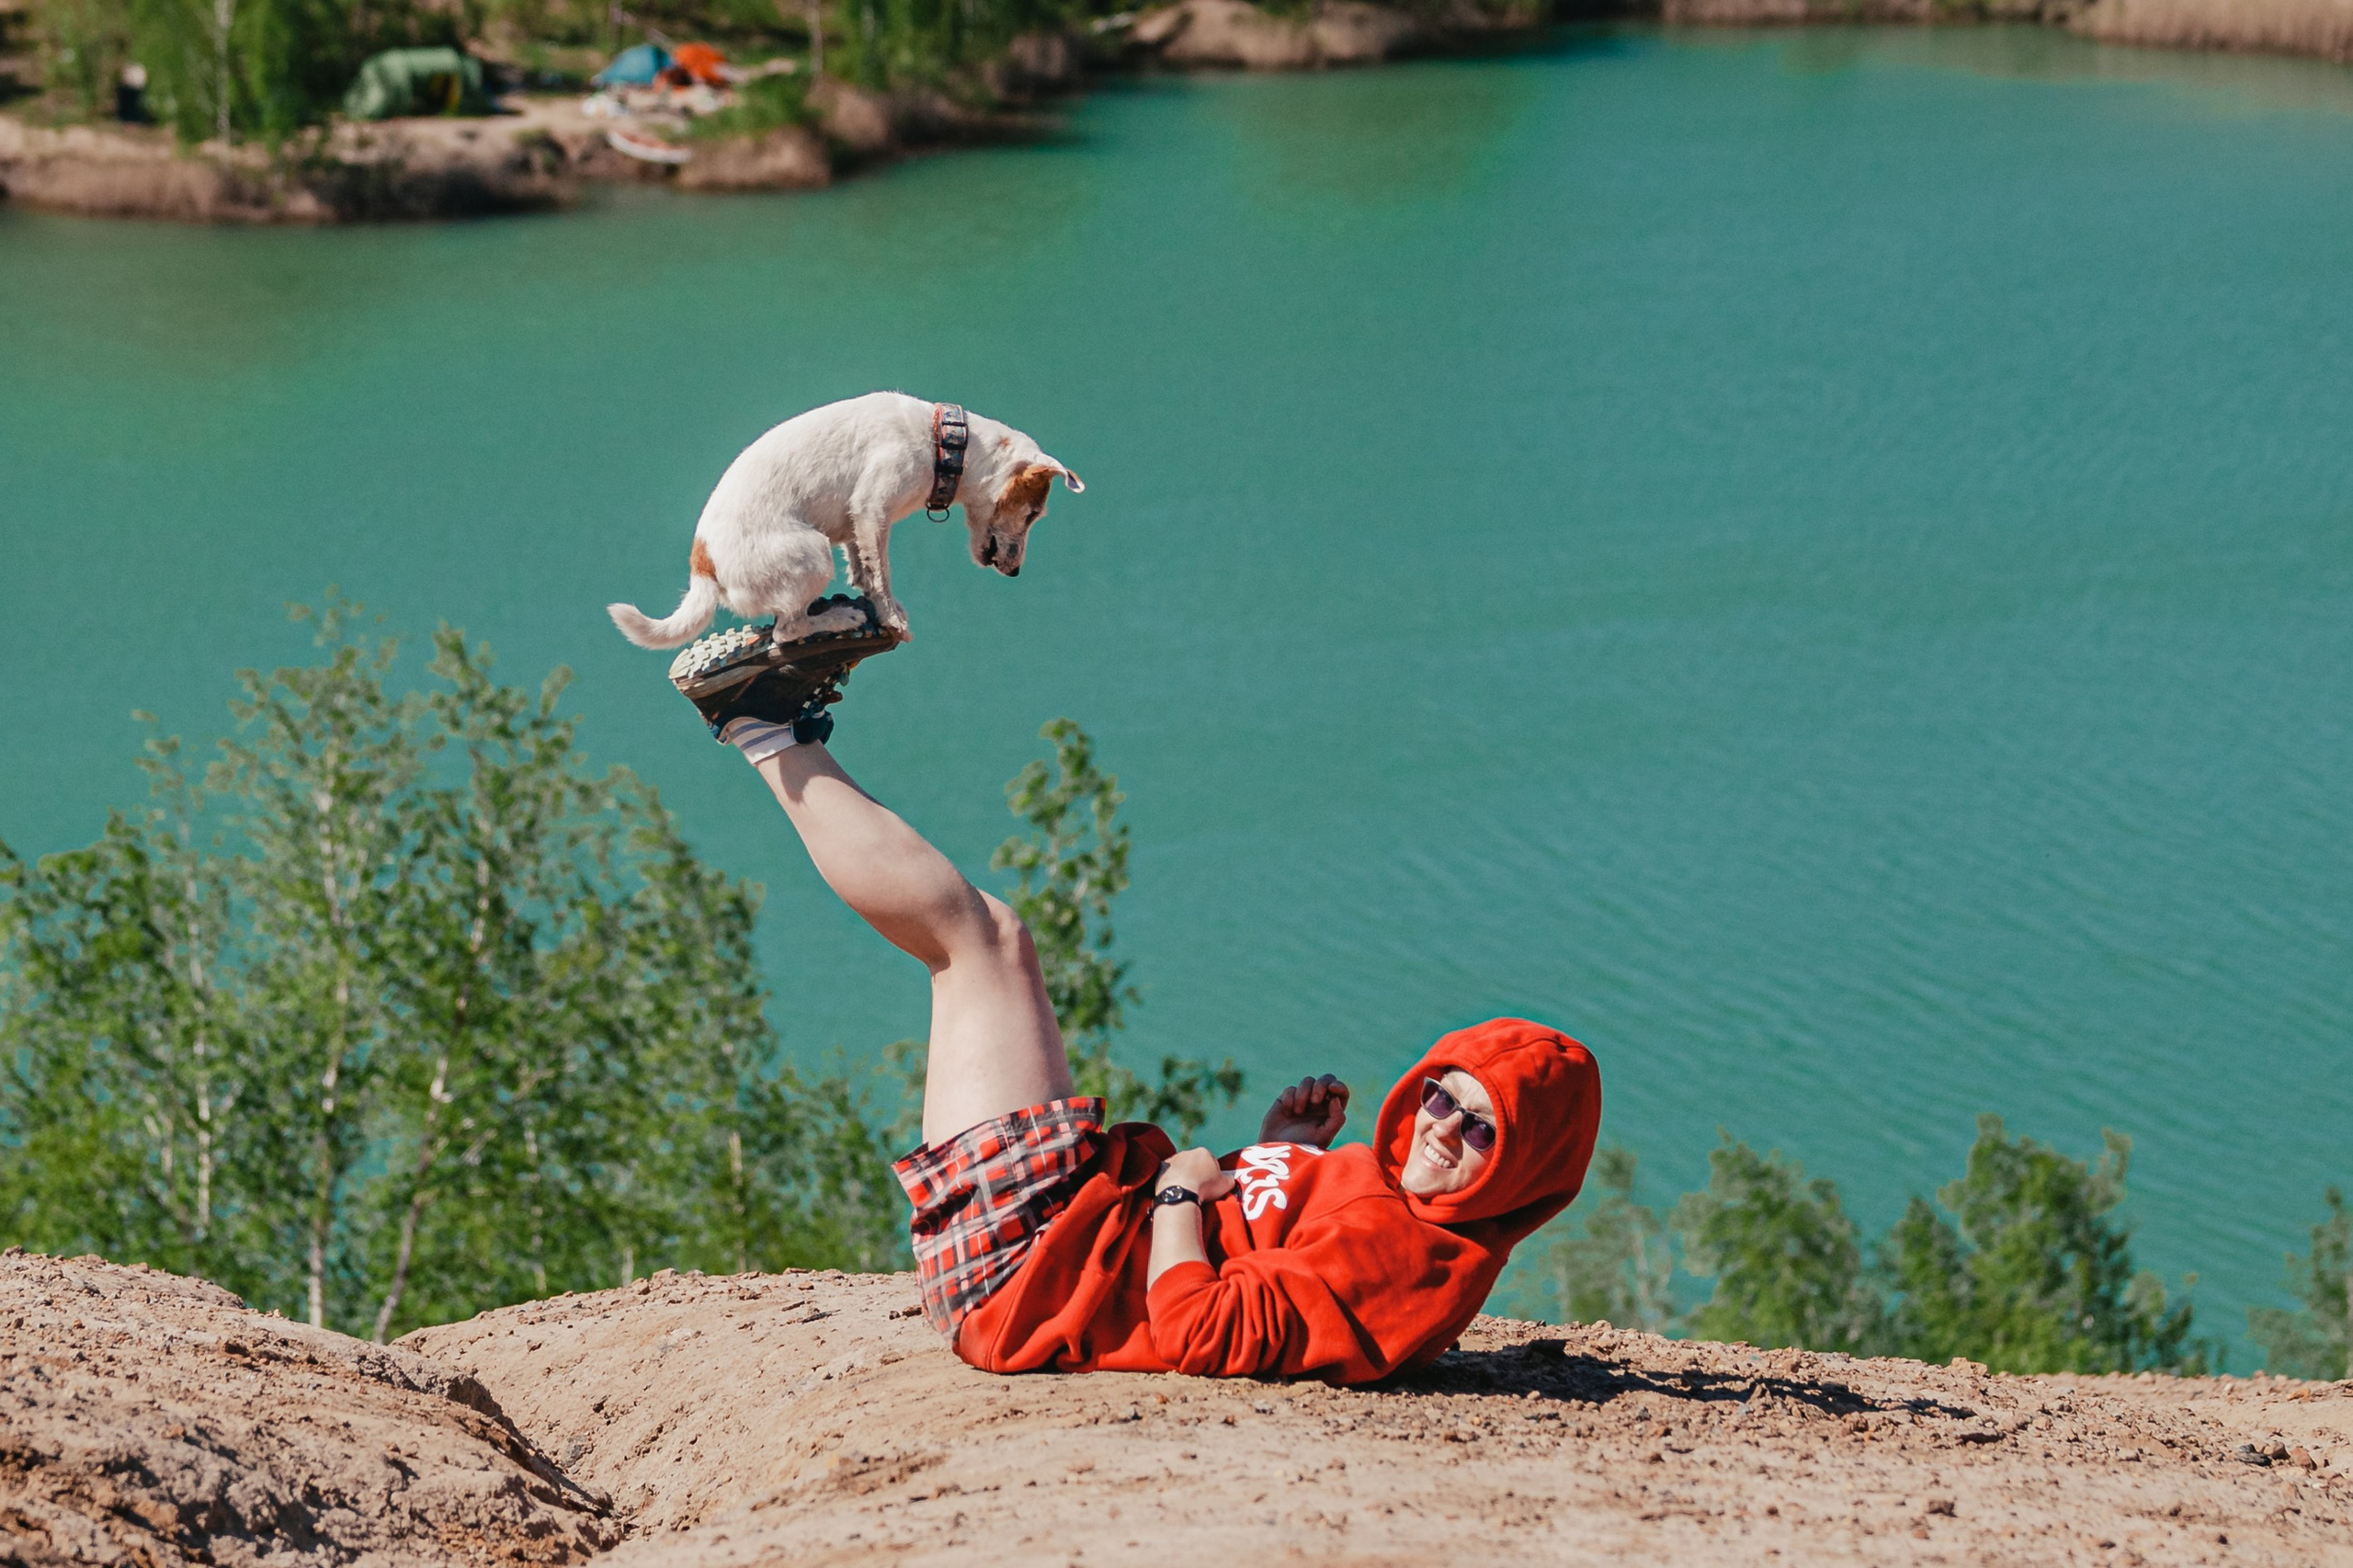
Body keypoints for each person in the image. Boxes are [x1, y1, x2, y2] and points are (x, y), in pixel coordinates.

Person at [665, 605, 1602, 1381]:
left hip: (1032, 1271)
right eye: (1441, 1095)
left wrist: (1180, 1194)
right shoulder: (1394, 1204)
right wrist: (1285, 1153)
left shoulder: (1414, 1259)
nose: (1442, 1128)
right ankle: (771, 727)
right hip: (1073, 1237)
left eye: (1483, 1131)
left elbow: (1203, 1331)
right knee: (985, 945)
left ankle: (761, 724)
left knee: (978, 945)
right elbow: (1278, 1262)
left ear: (1526, 1170)